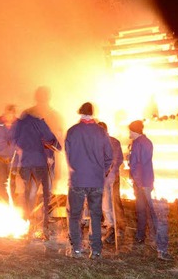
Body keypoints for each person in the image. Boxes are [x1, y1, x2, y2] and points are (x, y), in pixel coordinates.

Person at [65, 102, 113, 259]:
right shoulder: (101, 132)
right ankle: (96, 249)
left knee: (74, 215)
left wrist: (75, 169)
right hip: (96, 180)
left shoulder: (72, 131)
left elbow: (68, 155)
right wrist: (102, 172)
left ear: (80, 113)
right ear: (93, 114)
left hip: (78, 180)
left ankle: (77, 248)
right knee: (95, 214)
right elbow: (109, 157)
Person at [13, 105, 61, 240]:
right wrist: (56, 147)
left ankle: (27, 219)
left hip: (25, 164)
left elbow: (15, 141)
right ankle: (43, 224)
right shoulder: (39, 122)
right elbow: (50, 139)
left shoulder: (20, 124)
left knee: (28, 192)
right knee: (45, 192)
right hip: (39, 163)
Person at [128, 119, 172, 261]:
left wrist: (139, 181)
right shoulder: (140, 142)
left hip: (144, 183)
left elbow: (141, 163)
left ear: (135, 131)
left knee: (154, 212)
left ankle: (160, 246)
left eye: (130, 130)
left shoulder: (142, 143)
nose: (128, 133)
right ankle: (141, 236)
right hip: (142, 182)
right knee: (141, 210)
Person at [97, 121, 125, 245]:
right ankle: (115, 227)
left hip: (107, 178)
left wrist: (110, 173)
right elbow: (120, 160)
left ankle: (113, 228)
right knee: (111, 202)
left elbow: (116, 159)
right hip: (107, 177)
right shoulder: (113, 141)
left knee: (108, 203)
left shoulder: (109, 142)